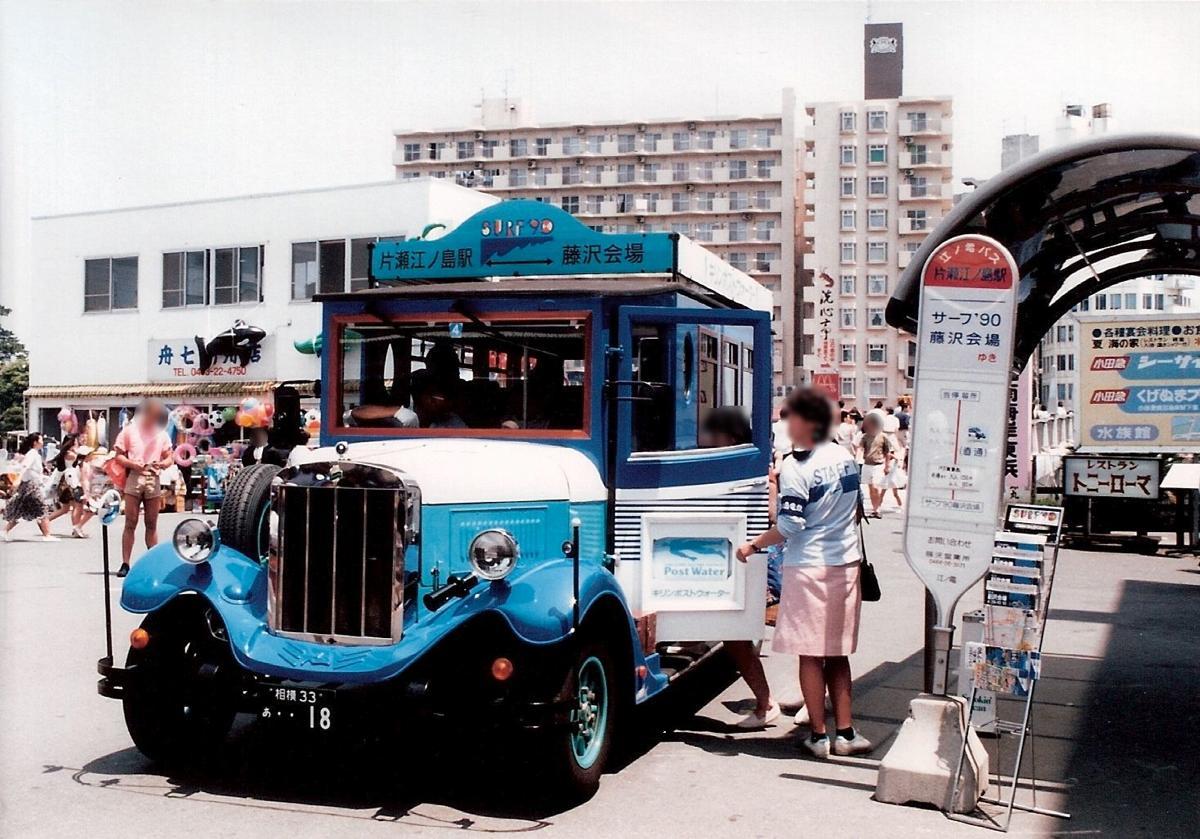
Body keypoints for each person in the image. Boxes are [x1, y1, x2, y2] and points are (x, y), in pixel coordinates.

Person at [735, 387, 872, 758]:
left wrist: (753, 545)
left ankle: (818, 735)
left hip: (809, 567)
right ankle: (846, 733)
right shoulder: (844, 456)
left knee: (811, 656)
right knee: (838, 654)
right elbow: (858, 510)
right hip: (845, 563)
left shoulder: (797, 468)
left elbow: (790, 526)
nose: (786, 428)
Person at [699, 407, 779, 729]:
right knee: (734, 634)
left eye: (712, 435)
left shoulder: (747, 473)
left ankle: (768, 704)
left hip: (745, 559)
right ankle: (776, 702)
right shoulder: (739, 467)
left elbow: (771, 516)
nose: (705, 442)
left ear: (729, 438)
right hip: (736, 560)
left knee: (735, 635)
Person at [113, 398, 174, 577]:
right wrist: (133, 464)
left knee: (152, 523)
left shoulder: (161, 434)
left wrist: (162, 464)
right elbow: (118, 456)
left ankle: (152, 563)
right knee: (130, 521)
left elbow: (170, 457)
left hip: (153, 477)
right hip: (135, 476)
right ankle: (125, 563)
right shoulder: (129, 431)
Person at [3, 432, 56, 541]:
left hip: (29, 485)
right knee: (42, 508)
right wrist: (18, 479)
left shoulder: (34, 453)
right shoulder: (32, 454)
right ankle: (47, 535)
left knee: (20, 510)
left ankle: (4, 531)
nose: (42, 442)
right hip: (31, 485)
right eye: (41, 440)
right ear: (35, 442)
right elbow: (25, 467)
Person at [856, 412, 893, 518]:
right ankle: (875, 509)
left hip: (878, 464)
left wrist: (887, 465)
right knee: (871, 488)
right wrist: (857, 458)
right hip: (867, 464)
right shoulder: (865, 437)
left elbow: (888, 452)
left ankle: (877, 508)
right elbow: (860, 448)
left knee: (876, 486)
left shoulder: (883, 437)